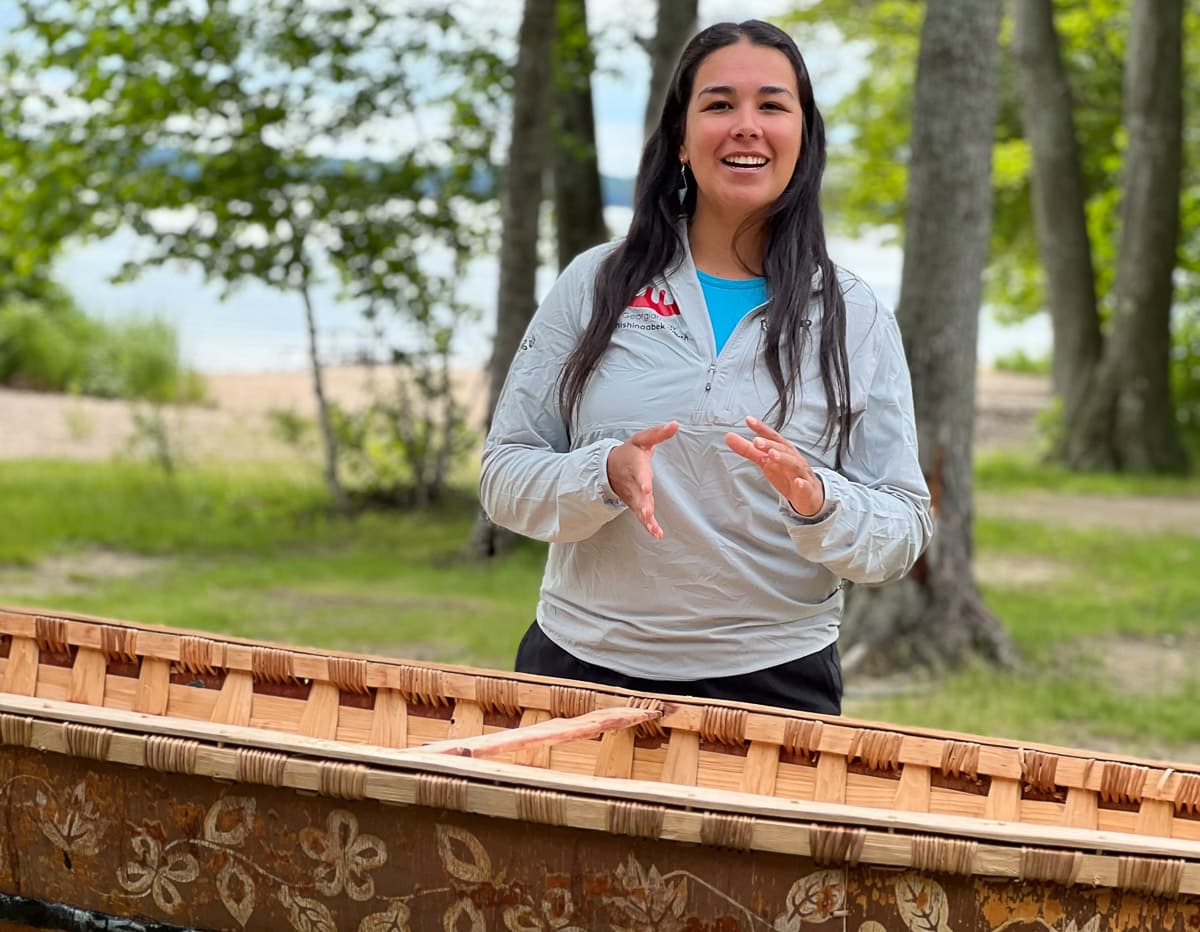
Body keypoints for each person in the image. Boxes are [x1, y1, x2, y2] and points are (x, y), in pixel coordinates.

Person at [479, 19, 932, 715]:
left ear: (803, 138)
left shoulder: (852, 313)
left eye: (772, 106)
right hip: (579, 669)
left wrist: (818, 500)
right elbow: (504, 476)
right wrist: (599, 472)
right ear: (682, 139)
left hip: (775, 684)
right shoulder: (595, 283)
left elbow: (904, 528)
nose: (746, 126)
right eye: (719, 105)